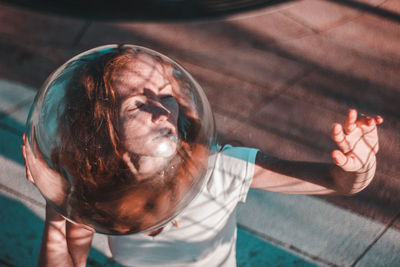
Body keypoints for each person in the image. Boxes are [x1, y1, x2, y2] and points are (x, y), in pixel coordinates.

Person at [21, 45, 383, 267]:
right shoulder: (98, 184)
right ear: (104, 125)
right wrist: (59, 208)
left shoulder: (217, 170)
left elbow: (339, 184)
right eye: (137, 104)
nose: (163, 112)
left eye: (165, 95)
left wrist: (360, 167)